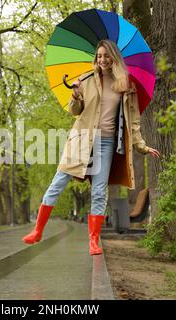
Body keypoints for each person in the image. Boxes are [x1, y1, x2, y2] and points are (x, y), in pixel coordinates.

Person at [22, 39, 160, 255]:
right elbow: (74, 111)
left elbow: (133, 121)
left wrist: (141, 146)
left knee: (98, 191)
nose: (102, 60)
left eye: (106, 56)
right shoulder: (85, 80)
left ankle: (94, 241)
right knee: (57, 183)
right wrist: (75, 93)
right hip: (81, 140)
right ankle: (37, 231)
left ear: (114, 57)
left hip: (106, 144)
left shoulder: (126, 86)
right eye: (99, 56)